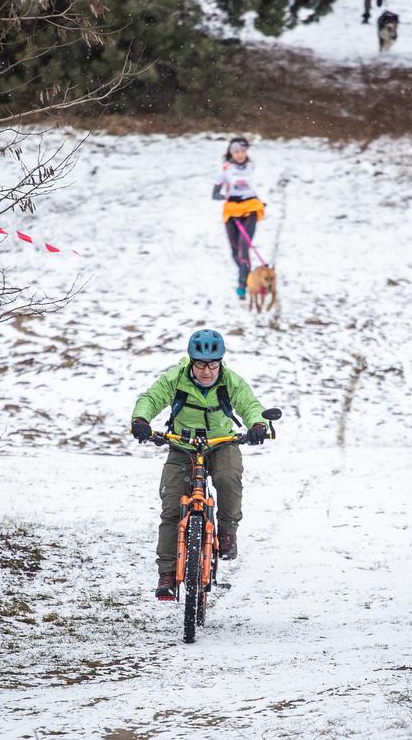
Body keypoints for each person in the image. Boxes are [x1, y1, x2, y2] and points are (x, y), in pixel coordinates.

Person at [130, 329, 269, 600]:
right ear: (191, 361)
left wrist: (257, 424)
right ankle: (168, 575)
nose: (207, 371)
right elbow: (151, 398)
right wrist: (141, 420)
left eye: (213, 364)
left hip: (221, 442)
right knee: (171, 505)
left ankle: (227, 531)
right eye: (201, 364)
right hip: (182, 446)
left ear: (220, 362)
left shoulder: (230, 381)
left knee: (229, 477)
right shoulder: (177, 378)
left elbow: (249, 404)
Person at [212, 136, 265, 299]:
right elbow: (216, 190)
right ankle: (249, 277)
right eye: (236, 151)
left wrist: (260, 201)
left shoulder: (250, 166)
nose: (240, 154)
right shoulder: (226, 168)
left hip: (250, 208)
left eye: (243, 151)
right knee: (235, 252)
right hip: (232, 210)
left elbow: (249, 186)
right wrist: (217, 194)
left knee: (244, 249)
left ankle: (243, 284)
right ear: (231, 152)